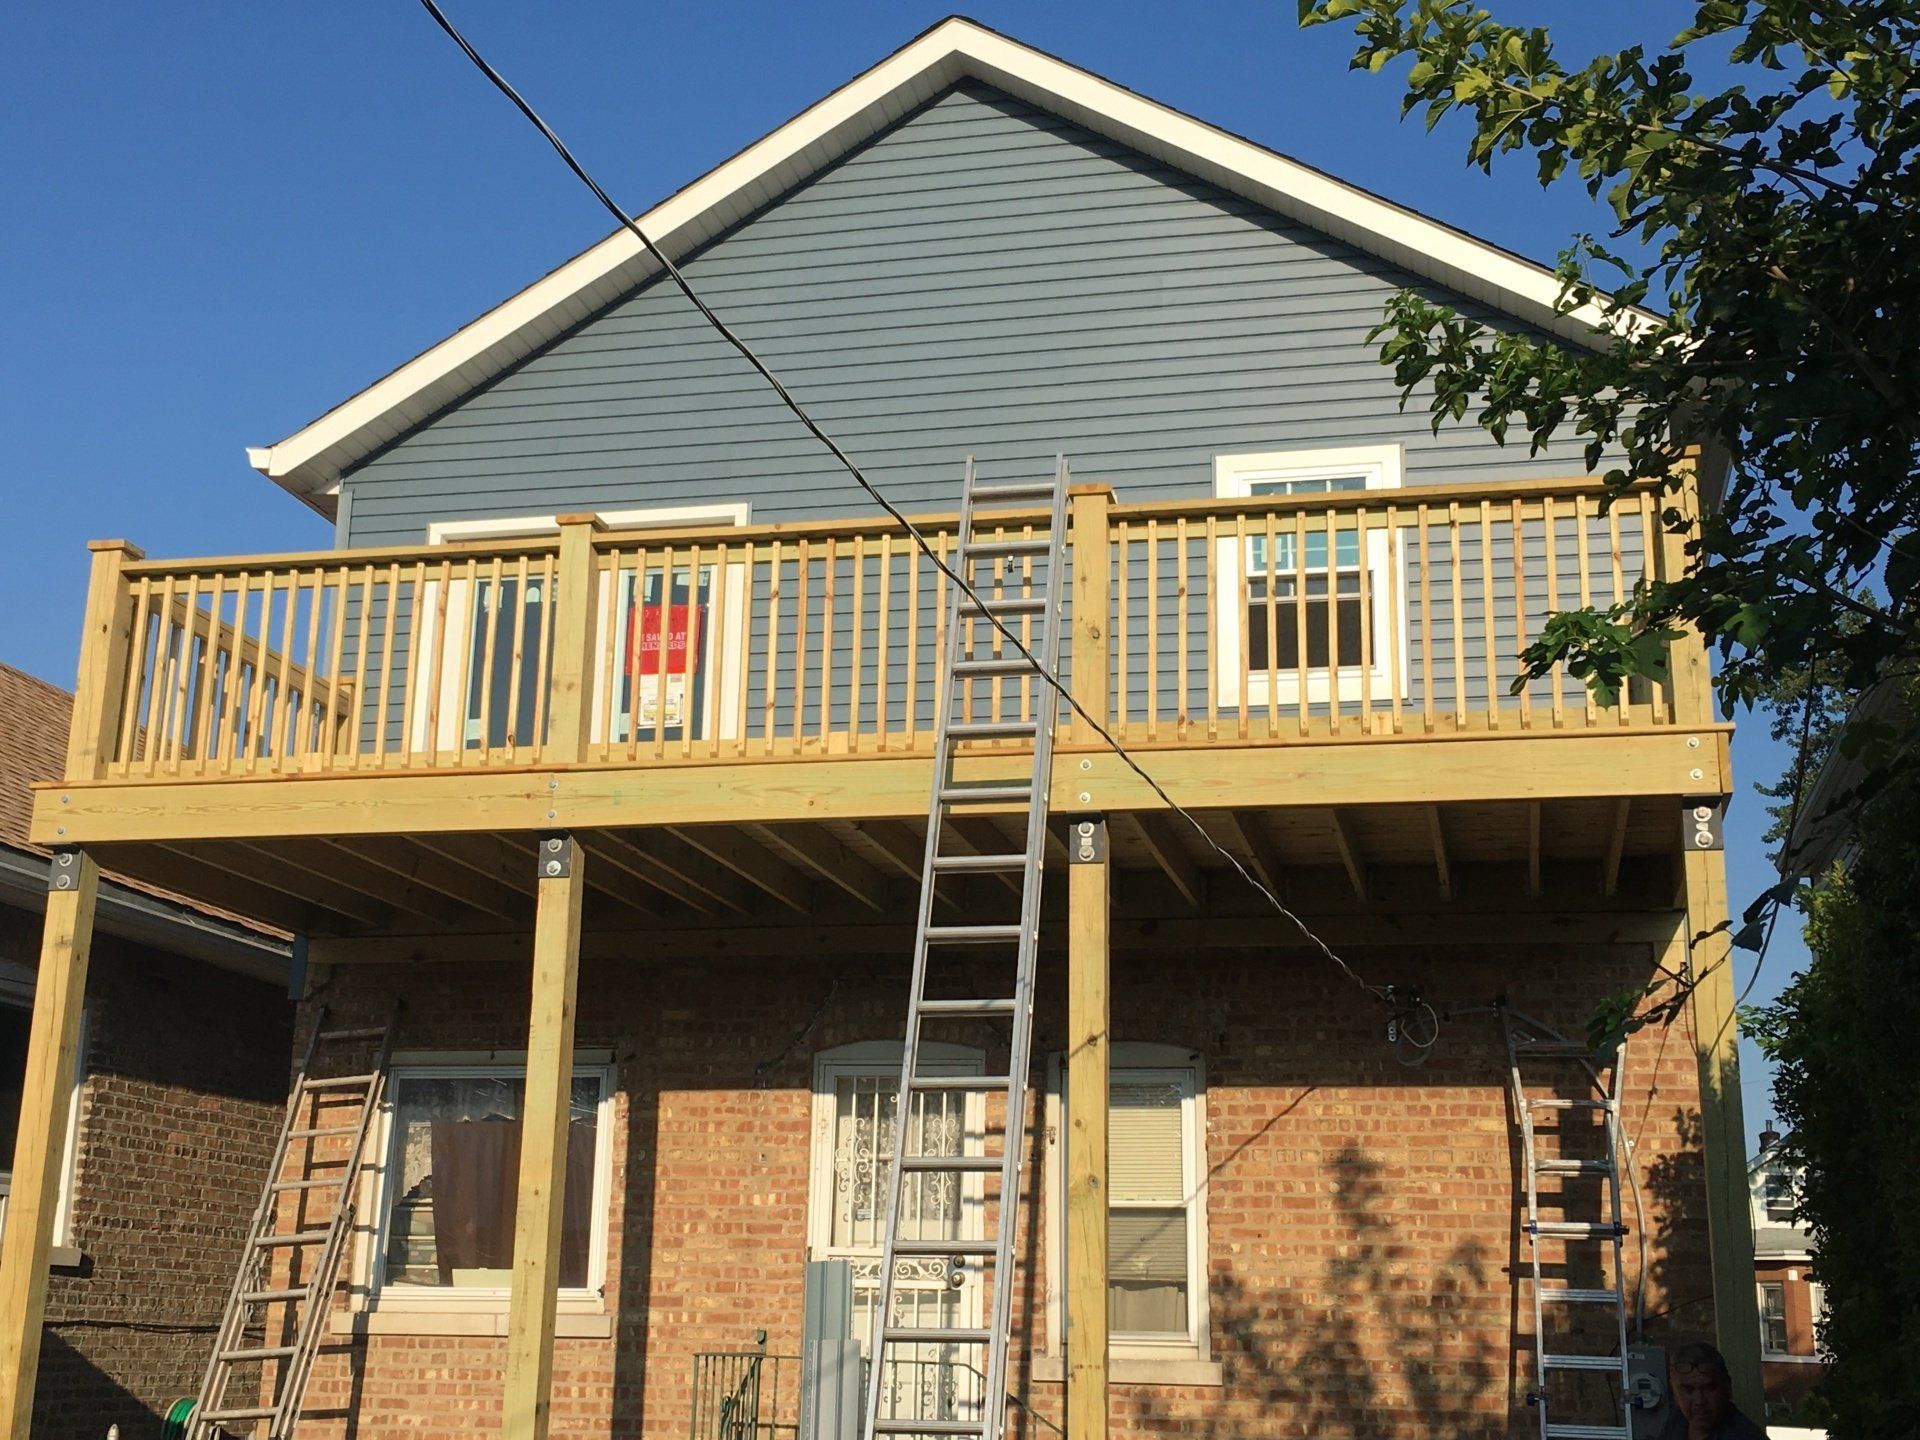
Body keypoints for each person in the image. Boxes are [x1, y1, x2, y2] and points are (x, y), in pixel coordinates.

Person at [1658, 1342, 1767, 1439]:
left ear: (1727, 1388)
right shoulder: (1677, 1421)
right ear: (1674, 1391)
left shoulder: (1744, 1435)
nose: (1699, 1400)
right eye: (1688, 1390)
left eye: (1709, 1389)